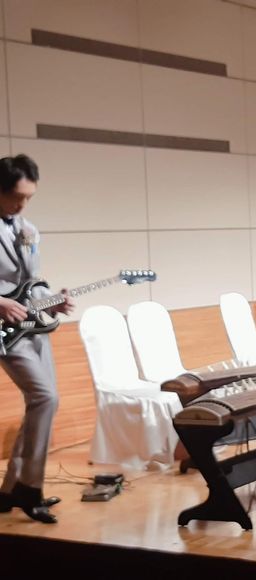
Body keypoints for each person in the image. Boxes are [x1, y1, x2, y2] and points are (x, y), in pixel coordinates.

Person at [0, 154, 74, 523]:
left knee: (41, 403)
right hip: (3, 331)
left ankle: (10, 489)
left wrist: (52, 301)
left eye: (29, 198)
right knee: (46, 397)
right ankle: (31, 488)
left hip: (32, 328)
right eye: (17, 197)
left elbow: (30, 284)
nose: (22, 205)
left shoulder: (28, 229)